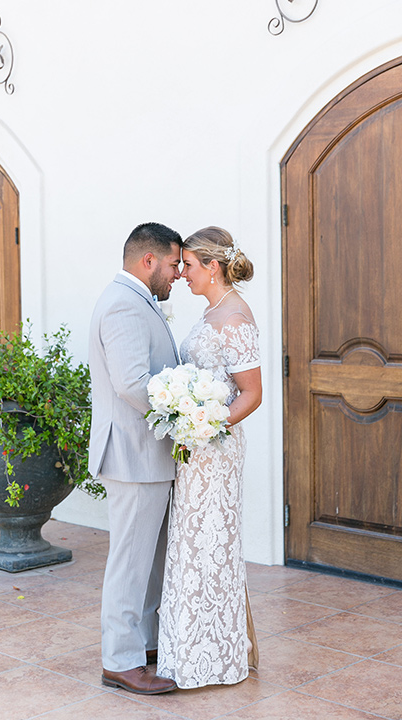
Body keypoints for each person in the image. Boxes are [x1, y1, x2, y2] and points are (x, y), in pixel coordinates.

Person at [157, 226, 262, 689]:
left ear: (212, 267)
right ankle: (187, 649)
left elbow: (252, 393)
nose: (182, 274)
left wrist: (206, 427)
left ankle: (215, 657)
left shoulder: (235, 318)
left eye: (190, 265)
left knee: (210, 546)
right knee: (191, 545)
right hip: (194, 448)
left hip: (214, 452)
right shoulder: (212, 310)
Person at [88, 222, 182, 695]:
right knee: (130, 560)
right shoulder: (124, 302)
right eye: (172, 264)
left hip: (145, 454)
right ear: (149, 261)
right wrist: (186, 413)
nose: (178, 274)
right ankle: (120, 661)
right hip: (133, 453)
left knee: (147, 558)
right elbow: (131, 383)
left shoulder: (138, 299)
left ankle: (142, 645)